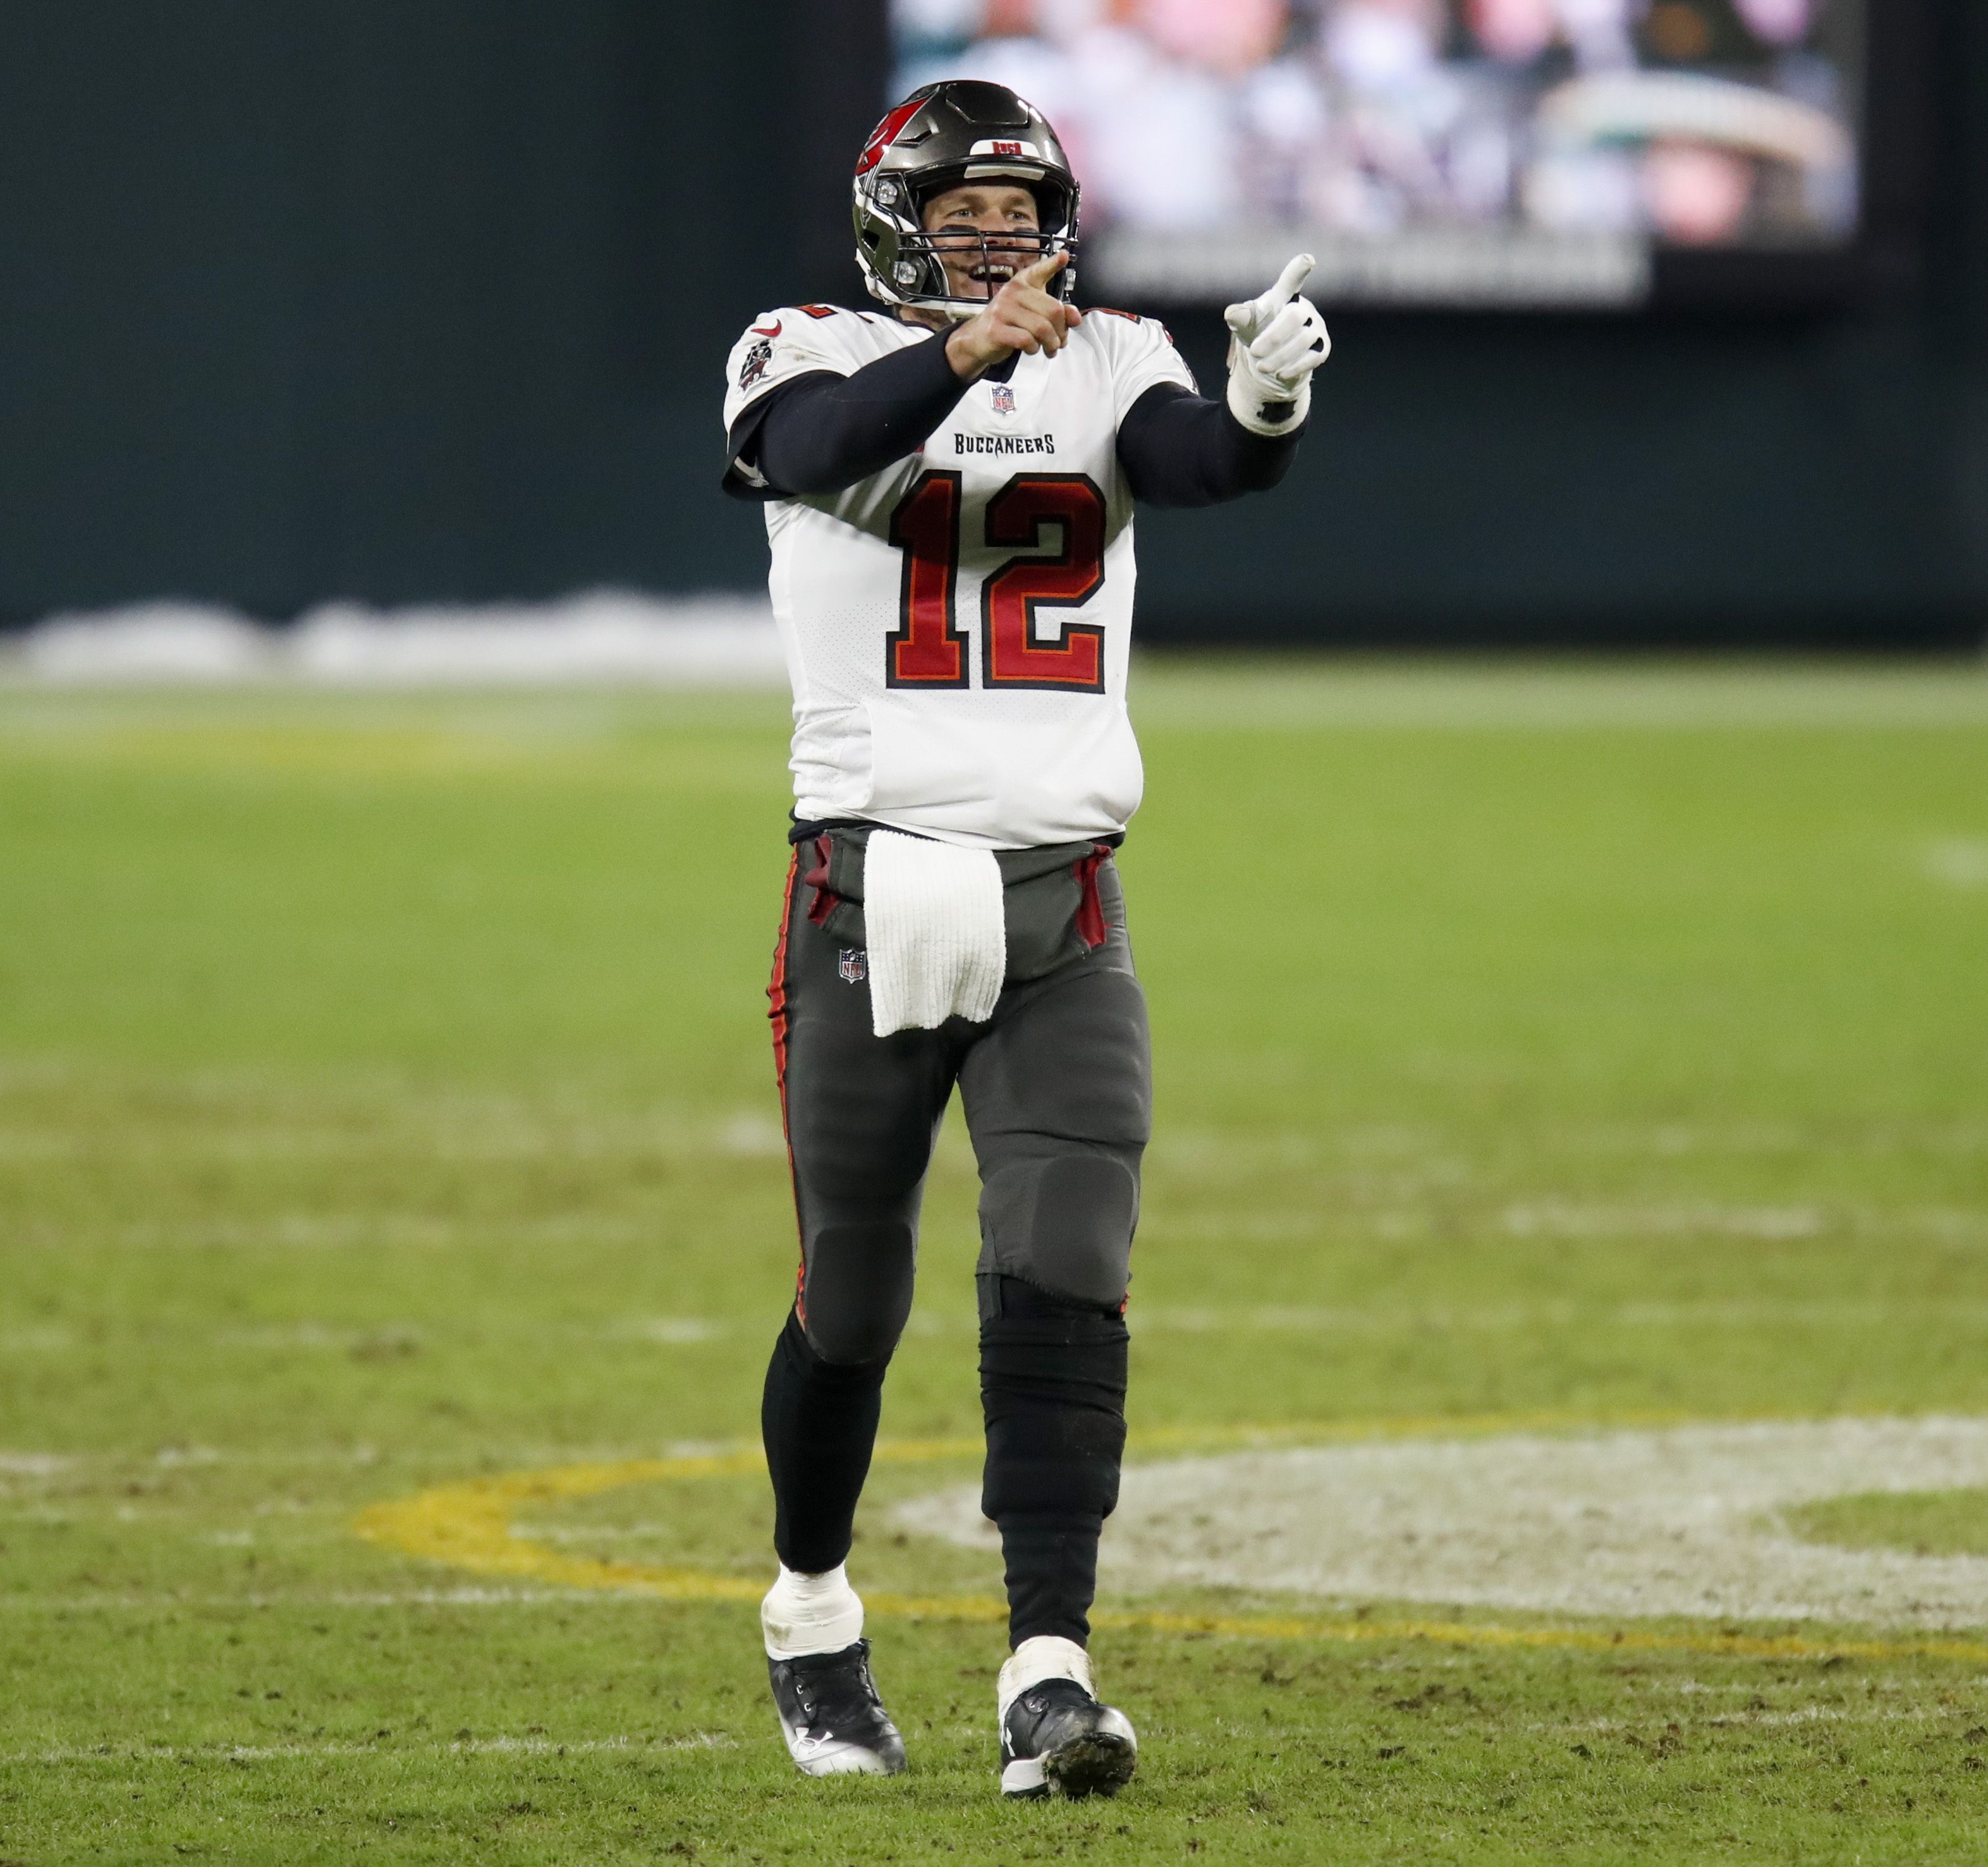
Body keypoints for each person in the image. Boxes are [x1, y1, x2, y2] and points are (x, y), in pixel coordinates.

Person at [717, 78, 1330, 1799]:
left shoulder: (1110, 355)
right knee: (854, 1294)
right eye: (964, 209)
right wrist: (969, 352)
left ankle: (1047, 1666)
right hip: (870, 887)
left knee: (1070, 1257)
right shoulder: (803, 343)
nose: (998, 237)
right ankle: (811, 1610)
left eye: (1019, 211)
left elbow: (1192, 463)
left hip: (1063, 889)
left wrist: (1269, 408)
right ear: (892, 214)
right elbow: (808, 454)